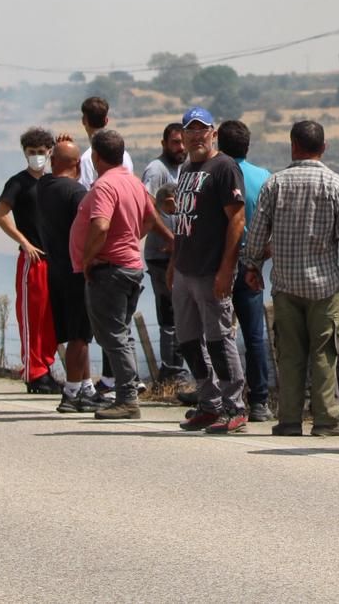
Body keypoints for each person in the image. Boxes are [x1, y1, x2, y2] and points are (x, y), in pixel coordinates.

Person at [242, 120, 339, 438]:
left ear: (293, 145)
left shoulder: (274, 184)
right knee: (324, 352)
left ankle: (289, 421)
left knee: (290, 354)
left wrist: (252, 267)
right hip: (325, 286)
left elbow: (257, 235)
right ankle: (326, 421)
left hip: (285, 286)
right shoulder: (337, 185)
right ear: (324, 148)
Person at [71, 128, 170, 420]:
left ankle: (127, 398)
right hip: (129, 266)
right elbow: (151, 217)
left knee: (112, 335)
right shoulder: (133, 182)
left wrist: (88, 258)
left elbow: (101, 225)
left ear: (96, 156)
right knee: (121, 333)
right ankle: (127, 393)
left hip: (110, 270)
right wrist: (131, 239)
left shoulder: (105, 186)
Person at [168, 107, 248, 433]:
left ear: (213, 133)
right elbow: (181, 222)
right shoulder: (187, 168)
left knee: (218, 340)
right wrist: (173, 263)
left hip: (211, 269)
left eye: (202, 130)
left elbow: (237, 219)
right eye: (191, 130)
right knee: (188, 340)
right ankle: (208, 402)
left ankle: (234, 406)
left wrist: (226, 268)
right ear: (183, 135)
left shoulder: (224, 167)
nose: (196, 136)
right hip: (185, 269)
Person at [35, 139, 106, 413]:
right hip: (77, 270)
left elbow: (49, 170)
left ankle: (86, 387)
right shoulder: (77, 193)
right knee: (80, 335)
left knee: (78, 335)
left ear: (53, 162)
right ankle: (72, 392)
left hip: (56, 270)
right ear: (78, 165)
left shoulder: (43, 187)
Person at [216, 119, 272, 422]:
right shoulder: (263, 177)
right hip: (252, 263)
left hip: (220, 263)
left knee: (217, 333)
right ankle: (260, 401)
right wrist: (261, 253)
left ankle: (221, 397)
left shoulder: (216, 175)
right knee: (254, 336)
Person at [76, 96, 134, 396]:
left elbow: (93, 212)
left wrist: (87, 256)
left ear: (84, 121)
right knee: (120, 323)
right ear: (107, 120)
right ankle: (119, 380)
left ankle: (117, 385)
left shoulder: (88, 160)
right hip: (127, 247)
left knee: (105, 325)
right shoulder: (126, 158)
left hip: (103, 251)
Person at [0, 126, 59, 393]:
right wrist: (24, 242)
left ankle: (46, 367)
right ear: (24, 153)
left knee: (50, 318)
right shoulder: (18, 183)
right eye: (32, 151)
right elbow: (0, 215)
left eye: (41, 151)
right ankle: (33, 372)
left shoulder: (52, 182)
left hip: (54, 259)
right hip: (32, 260)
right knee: (32, 318)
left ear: (50, 152)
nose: (36, 156)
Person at [141, 123, 188, 384]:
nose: (180, 147)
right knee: (169, 315)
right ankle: (171, 372)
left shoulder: (185, 169)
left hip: (181, 255)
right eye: (175, 142)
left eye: (183, 142)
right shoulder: (156, 170)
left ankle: (177, 368)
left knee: (183, 313)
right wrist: (171, 238)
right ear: (164, 144)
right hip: (161, 255)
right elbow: (147, 208)